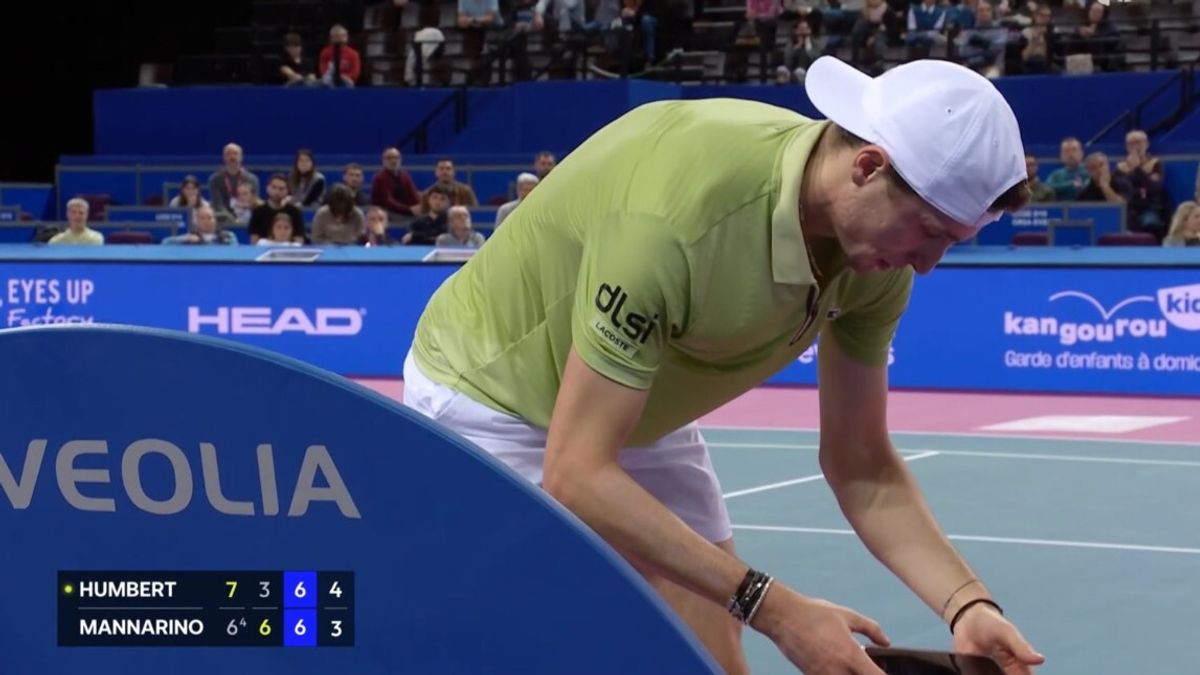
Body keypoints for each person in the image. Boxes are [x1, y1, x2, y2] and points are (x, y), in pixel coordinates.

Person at [402, 56, 1043, 675]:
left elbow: (861, 463)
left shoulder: (875, 259)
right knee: (542, 644)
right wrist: (778, 611)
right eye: (929, 231)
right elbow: (575, 473)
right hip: (491, 397)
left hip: (633, 396)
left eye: (950, 242)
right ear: (868, 166)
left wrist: (968, 605)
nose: (927, 265)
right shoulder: (669, 223)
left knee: (711, 649)